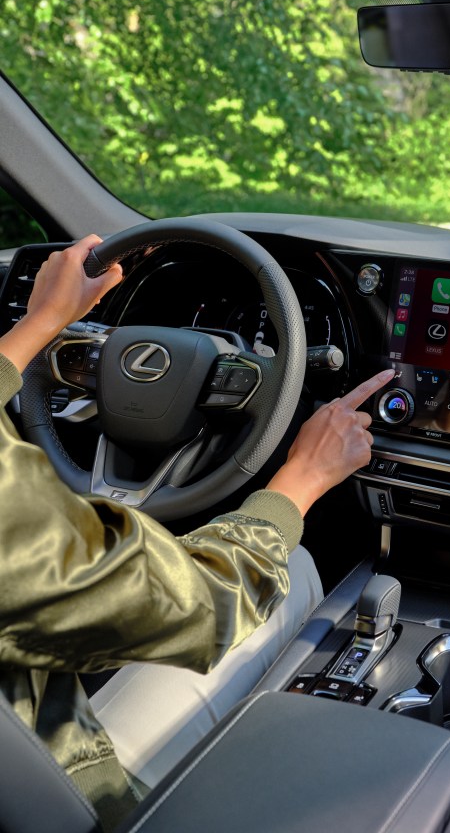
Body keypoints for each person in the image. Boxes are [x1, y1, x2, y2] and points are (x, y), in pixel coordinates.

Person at [0, 233, 394, 831]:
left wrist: (39, 325)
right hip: (60, 789)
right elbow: (202, 606)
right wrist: (303, 478)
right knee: (292, 568)